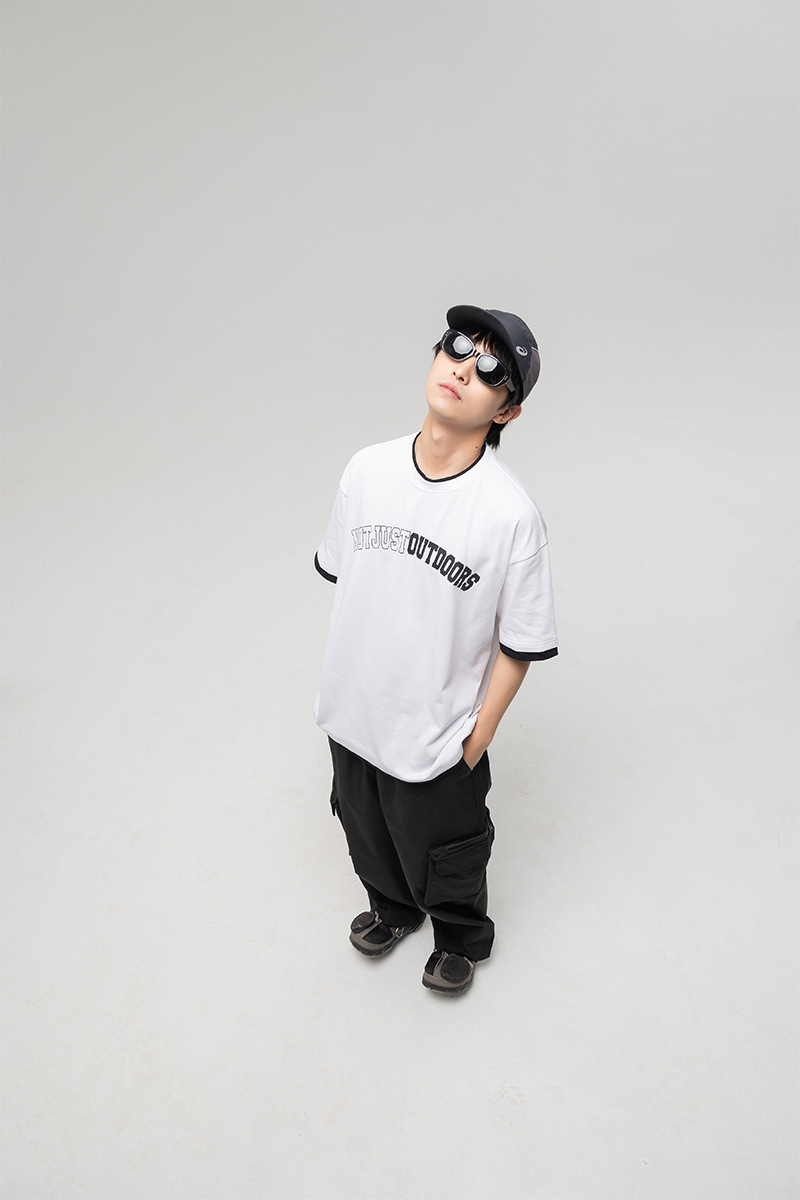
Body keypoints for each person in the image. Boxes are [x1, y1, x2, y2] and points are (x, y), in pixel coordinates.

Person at [313, 305, 558, 997]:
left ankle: (459, 936)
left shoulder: (510, 515)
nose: (464, 368)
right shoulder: (366, 469)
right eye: (456, 347)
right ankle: (392, 909)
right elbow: (348, 579)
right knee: (365, 828)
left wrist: (477, 739)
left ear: (507, 411)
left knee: (448, 850)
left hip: (437, 731)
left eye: (491, 369)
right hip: (353, 713)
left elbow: (520, 643)